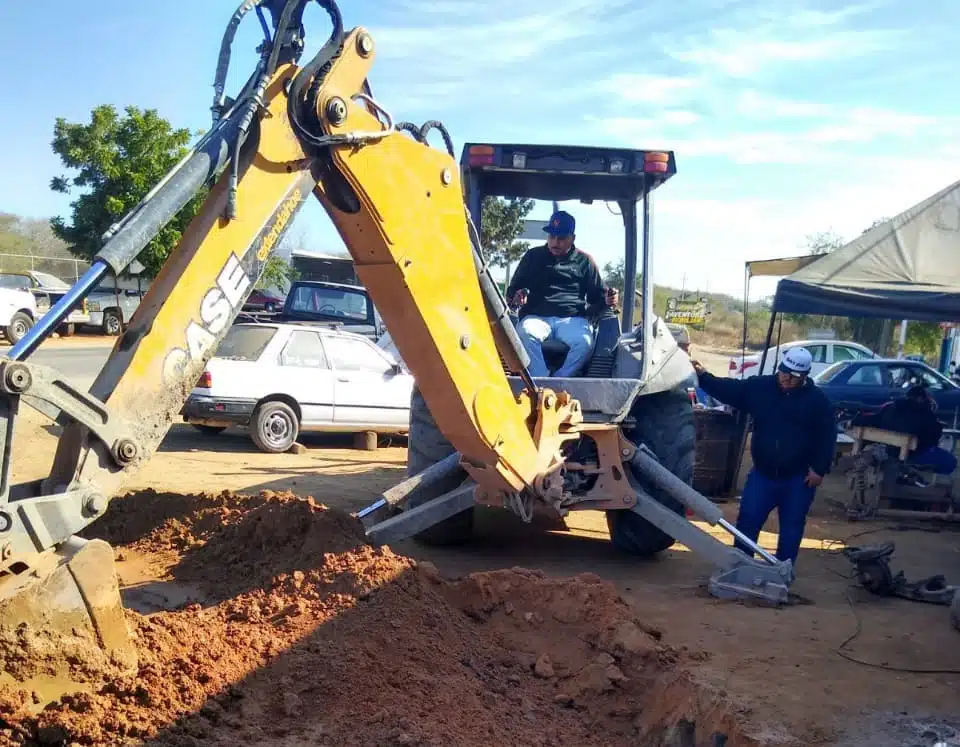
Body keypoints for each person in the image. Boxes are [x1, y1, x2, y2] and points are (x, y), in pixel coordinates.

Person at [690, 347, 837, 565]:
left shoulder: (817, 401)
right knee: (748, 522)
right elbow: (730, 389)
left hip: (798, 479)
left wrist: (819, 469)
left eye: (793, 376)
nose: (786, 378)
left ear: (804, 376)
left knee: (792, 526)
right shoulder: (760, 388)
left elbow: (827, 436)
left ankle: (782, 571)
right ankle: (740, 566)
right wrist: (703, 376)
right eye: (784, 372)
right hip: (763, 475)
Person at [506, 210, 618, 377]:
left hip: (572, 320)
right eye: (551, 236)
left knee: (585, 342)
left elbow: (598, 298)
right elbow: (512, 290)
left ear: (572, 238)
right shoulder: (532, 256)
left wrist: (609, 299)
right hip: (536, 317)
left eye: (561, 238)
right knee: (524, 333)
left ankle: (561, 380)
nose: (555, 242)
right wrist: (517, 296)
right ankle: (540, 380)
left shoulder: (585, 261)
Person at [852, 385, 957, 475]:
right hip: (914, 456)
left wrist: (853, 421)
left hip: (891, 452)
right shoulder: (925, 413)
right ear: (920, 398)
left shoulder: (890, 408)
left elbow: (872, 419)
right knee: (950, 461)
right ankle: (924, 482)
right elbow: (933, 439)